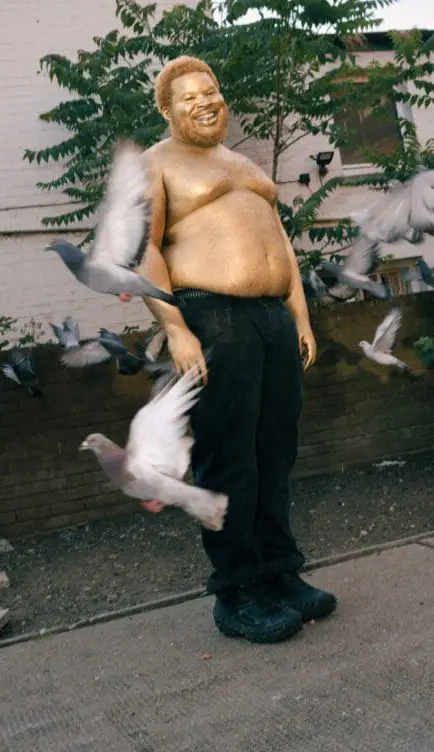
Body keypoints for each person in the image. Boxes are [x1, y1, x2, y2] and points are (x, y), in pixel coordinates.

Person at [140, 55, 338, 643]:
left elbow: (280, 241)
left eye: (212, 91)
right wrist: (175, 328)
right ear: (168, 111)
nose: (205, 101)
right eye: (189, 97)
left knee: (275, 449)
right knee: (229, 456)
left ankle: (279, 573)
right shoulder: (156, 165)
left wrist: (299, 314)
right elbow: (143, 249)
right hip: (212, 315)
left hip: (272, 318)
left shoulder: (244, 164)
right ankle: (237, 590)